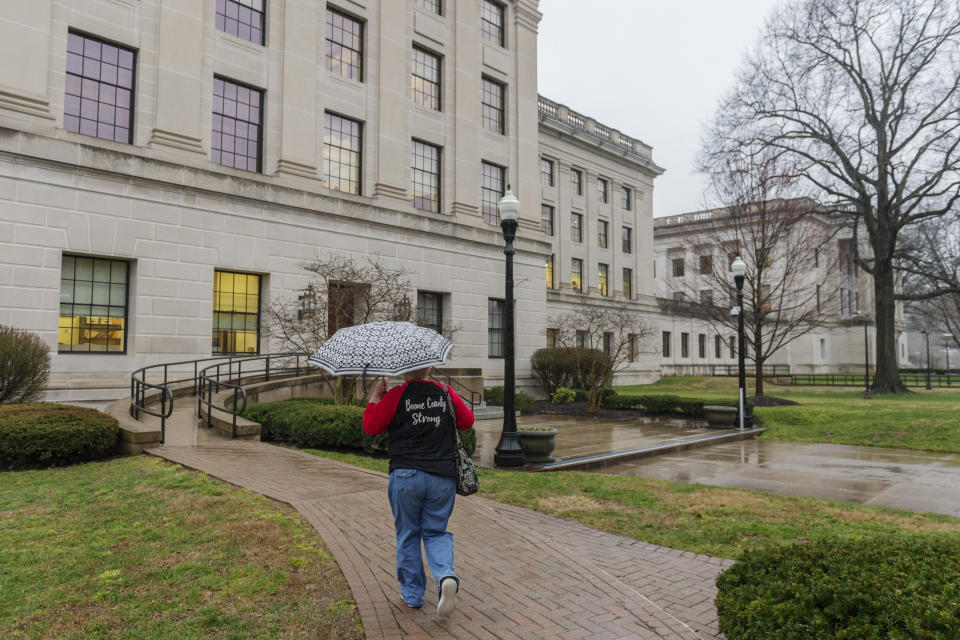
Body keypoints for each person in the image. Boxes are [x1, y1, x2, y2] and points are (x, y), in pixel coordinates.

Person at [362, 367, 475, 616]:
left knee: (408, 533)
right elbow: (467, 421)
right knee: (436, 532)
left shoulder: (395, 396)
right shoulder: (445, 392)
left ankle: (413, 595)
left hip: (406, 476)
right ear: (429, 369)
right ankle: (446, 575)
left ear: (403, 372)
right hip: (442, 476)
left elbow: (370, 426)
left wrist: (375, 397)